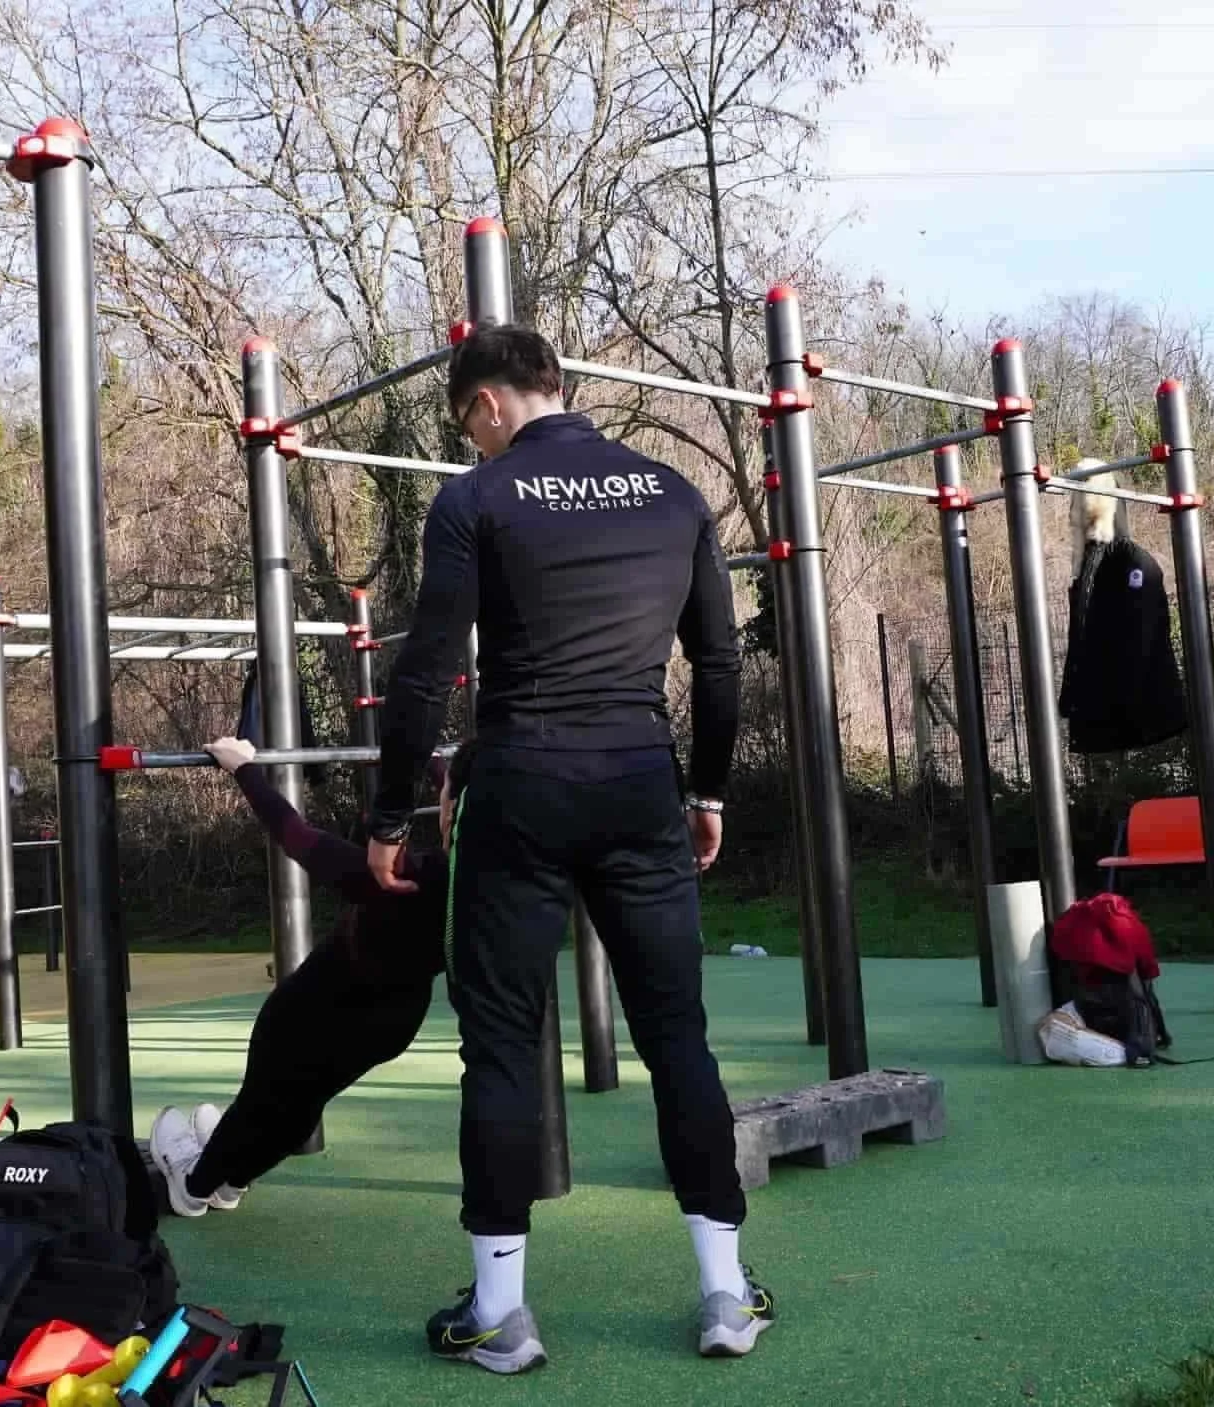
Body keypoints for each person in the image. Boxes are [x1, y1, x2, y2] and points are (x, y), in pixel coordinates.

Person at [364, 324, 767, 1373]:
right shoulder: (674, 493)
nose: (472, 445)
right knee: (677, 1035)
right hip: (641, 784)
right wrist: (707, 790)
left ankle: (500, 1315)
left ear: (488, 403)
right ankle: (725, 1296)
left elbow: (425, 672)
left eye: (468, 427)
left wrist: (390, 815)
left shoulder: (476, 499)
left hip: (523, 785)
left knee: (500, 1042)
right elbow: (719, 666)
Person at [142, 737, 462, 1217]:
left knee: (263, 1095)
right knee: (305, 1099)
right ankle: (232, 1181)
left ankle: (193, 1184)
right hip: (392, 1021)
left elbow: (295, 834)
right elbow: (465, 807)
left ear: (449, 813)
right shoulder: (489, 879)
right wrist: (433, 762)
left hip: (323, 1000)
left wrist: (242, 769)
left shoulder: (397, 878)